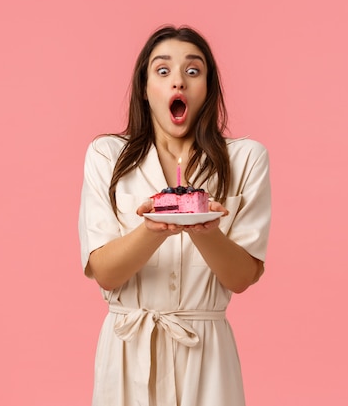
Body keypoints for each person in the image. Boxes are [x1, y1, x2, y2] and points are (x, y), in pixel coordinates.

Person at [78, 25, 271, 406]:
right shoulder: (106, 156)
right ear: (145, 88)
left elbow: (241, 277)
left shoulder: (246, 158)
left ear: (208, 88)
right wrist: (153, 229)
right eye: (163, 71)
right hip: (127, 348)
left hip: (206, 352)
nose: (178, 82)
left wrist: (205, 230)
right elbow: (105, 271)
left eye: (193, 71)